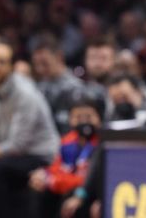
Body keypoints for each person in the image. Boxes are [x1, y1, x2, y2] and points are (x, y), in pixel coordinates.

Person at [0, 38, 60, 218]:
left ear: (12, 66)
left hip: (41, 154)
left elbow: (19, 144)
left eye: (2, 62)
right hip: (11, 154)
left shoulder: (25, 94)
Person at [28, 90, 103, 218]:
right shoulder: (67, 141)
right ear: (70, 120)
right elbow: (57, 167)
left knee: (72, 196)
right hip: (68, 186)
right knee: (40, 188)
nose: (84, 122)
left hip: (91, 191)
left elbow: (88, 179)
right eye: (78, 117)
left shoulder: (102, 143)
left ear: (99, 119)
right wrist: (44, 175)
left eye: (89, 117)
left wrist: (55, 181)